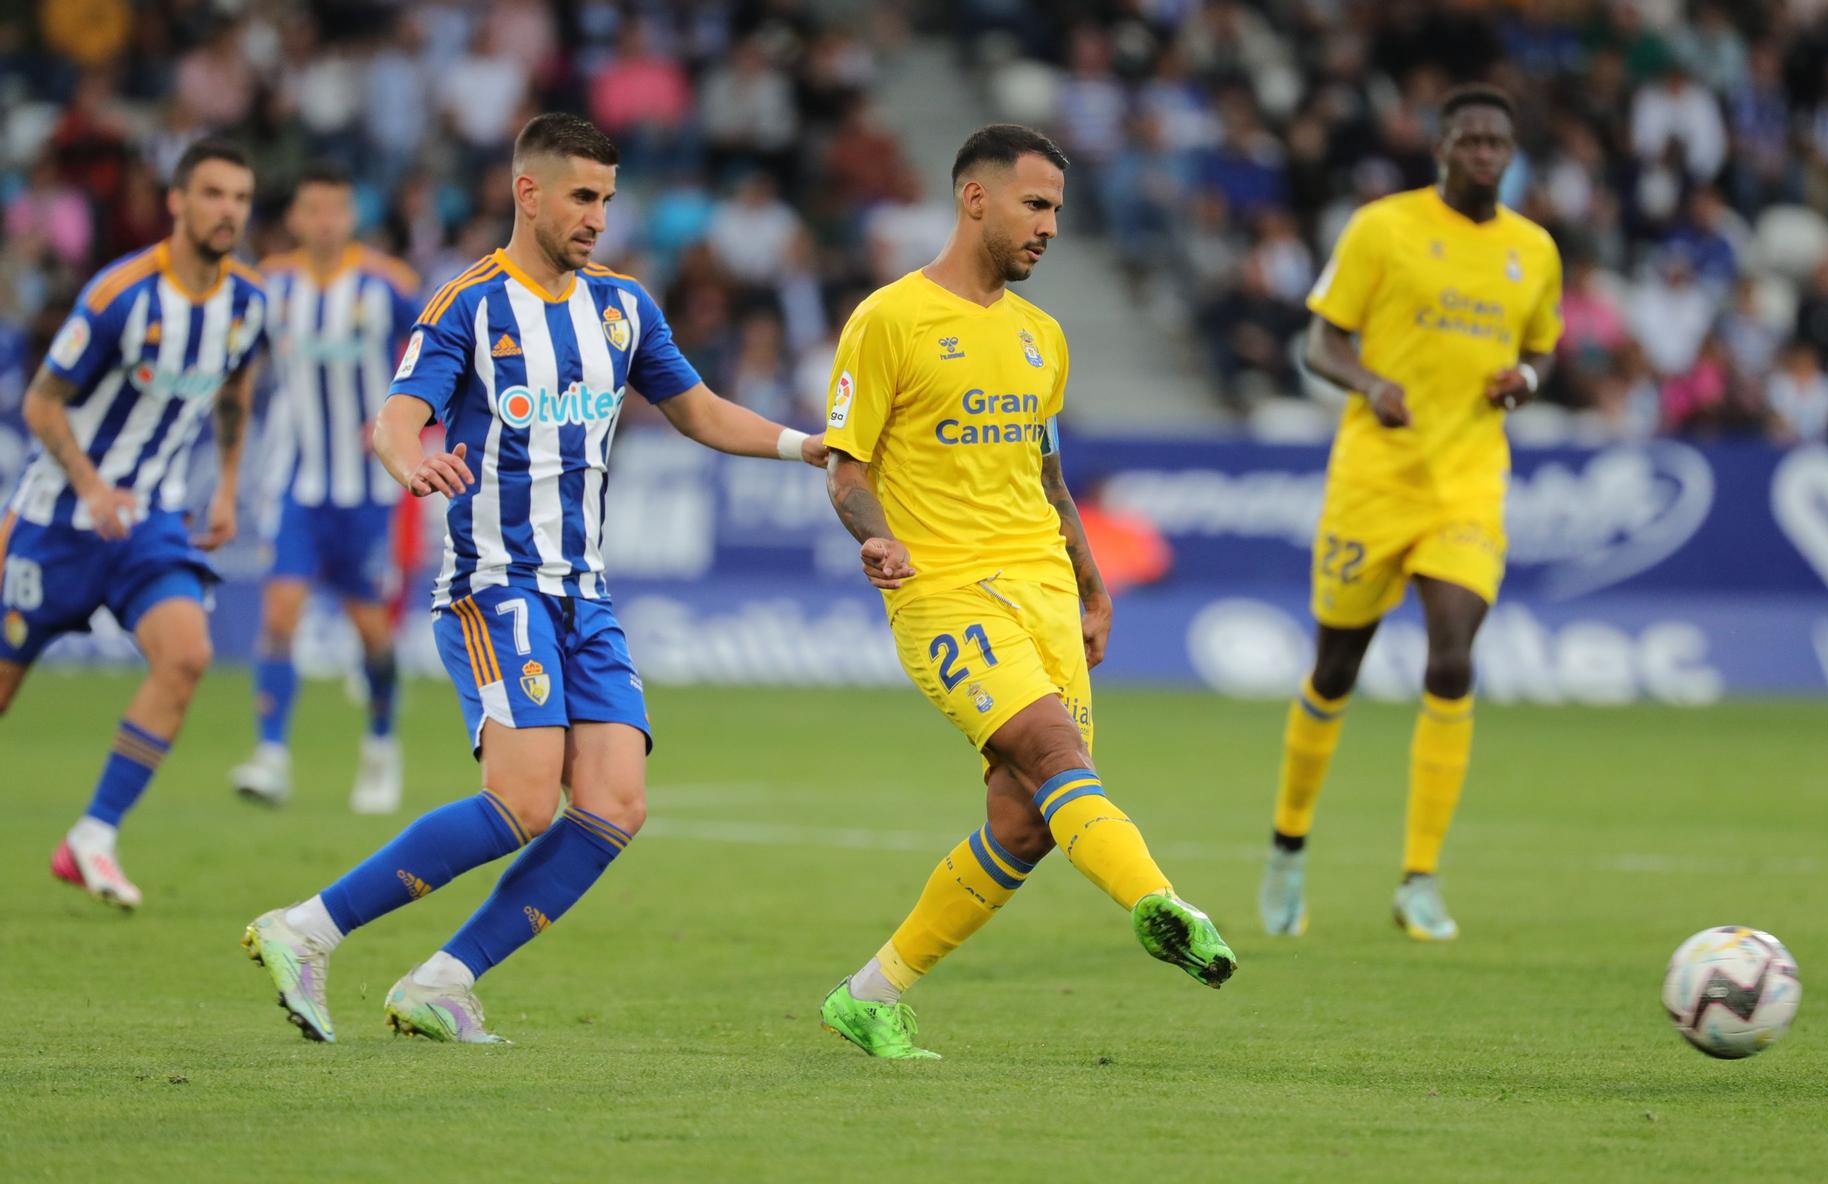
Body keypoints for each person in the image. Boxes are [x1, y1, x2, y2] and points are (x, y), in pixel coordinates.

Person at [242, 114, 828, 1045]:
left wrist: (810, 447)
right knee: (523, 800)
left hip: (583, 594)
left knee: (614, 805)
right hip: (493, 583)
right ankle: (305, 928)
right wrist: (409, 462)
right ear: (529, 192)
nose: (599, 215)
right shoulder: (467, 303)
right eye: (582, 196)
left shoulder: (625, 307)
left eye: (607, 195)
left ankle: (442, 980)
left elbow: (702, 412)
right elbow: (397, 418)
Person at [816, 124, 1237, 1061]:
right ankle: (1160, 902)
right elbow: (845, 469)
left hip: (1045, 590)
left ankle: (871, 994)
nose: (1050, 227)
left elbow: (1047, 480)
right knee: (1053, 754)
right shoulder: (889, 319)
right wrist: (876, 535)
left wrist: (1093, 588)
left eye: (1057, 210)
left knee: (1026, 819)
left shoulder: (1044, 338)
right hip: (945, 594)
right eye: (1036, 205)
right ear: (976, 199)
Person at [1260, 85, 1563, 941]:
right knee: (1336, 669)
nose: (1481, 152)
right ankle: (1287, 848)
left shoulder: (1533, 250)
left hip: (1467, 481)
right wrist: (1369, 384)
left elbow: (1541, 342)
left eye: (1495, 141)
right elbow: (1322, 339)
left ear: (1510, 152)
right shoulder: (1382, 227)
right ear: (1440, 145)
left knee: (1453, 655)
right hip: (1375, 480)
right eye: (1467, 138)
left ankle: (1419, 879)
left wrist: (1527, 379)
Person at [1, 138, 266, 909]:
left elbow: (235, 386)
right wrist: (90, 484)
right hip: (58, 520)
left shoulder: (247, 302)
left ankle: (92, 837)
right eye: (214, 195)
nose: (229, 212)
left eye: (241, 199)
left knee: (186, 654)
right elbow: (41, 403)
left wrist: (224, 488)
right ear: (178, 203)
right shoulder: (121, 295)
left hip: (149, 519)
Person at [231, 163, 422, 814]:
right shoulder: (268, 286)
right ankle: (271, 755)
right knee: (279, 616)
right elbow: (238, 369)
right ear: (295, 218)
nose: (323, 222)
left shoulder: (386, 284)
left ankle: (379, 746)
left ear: (350, 215)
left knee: (371, 632)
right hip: (295, 482)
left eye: (335, 210)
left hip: (367, 489)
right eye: (312, 210)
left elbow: (436, 354)